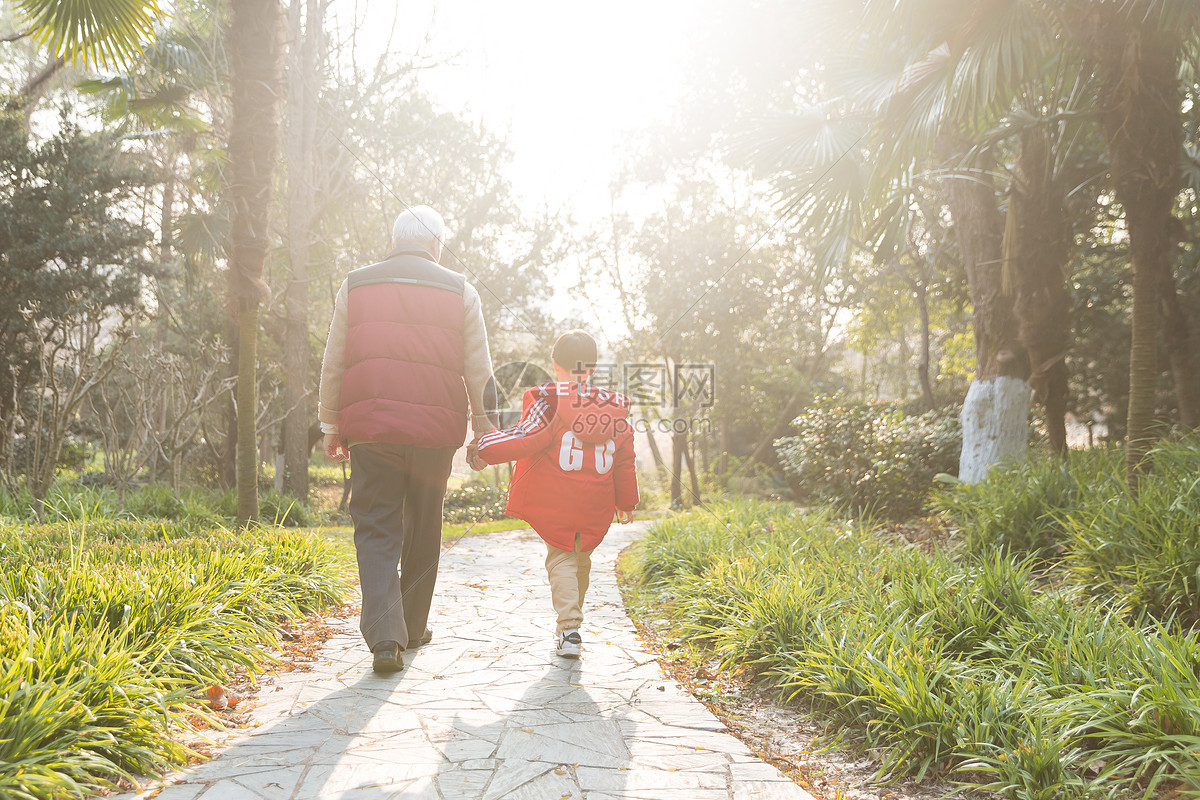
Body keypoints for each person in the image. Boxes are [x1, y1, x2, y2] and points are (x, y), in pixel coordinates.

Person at [318, 205, 496, 674]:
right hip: (435, 430)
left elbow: (335, 360)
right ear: (436, 243)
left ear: (395, 240)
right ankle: (412, 627)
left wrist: (330, 424)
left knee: (375, 525)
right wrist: (485, 428)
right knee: (424, 521)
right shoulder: (462, 290)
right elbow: (479, 368)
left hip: (371, 427)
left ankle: (385, 637)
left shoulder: (356, 285)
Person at [469, 329, 638, 659]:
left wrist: (483, 446)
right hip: (595, 504)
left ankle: (569, 628)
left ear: (553, 363)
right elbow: (624, 458)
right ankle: (571, 627)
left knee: (561, 556)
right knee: (580, 560)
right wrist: (626, 501)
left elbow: (524, 438)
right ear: (591, 368)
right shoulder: (612, 409)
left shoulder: (548, 401)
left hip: (557, 501)